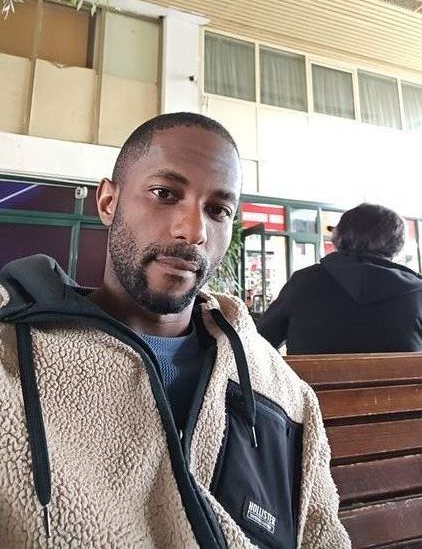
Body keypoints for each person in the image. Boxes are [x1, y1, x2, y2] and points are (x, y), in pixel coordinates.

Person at [0, 112, 350, 549]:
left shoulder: (286, 396)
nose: (194, 231)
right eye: (164, 194)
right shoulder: (12, 359)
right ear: (108, 202)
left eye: (218, 210)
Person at [258, 202, 422, 354]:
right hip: (404, 379)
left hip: (311, 378)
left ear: (339, 237)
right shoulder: (417, 292)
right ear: (398, 244)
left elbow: (257, 343)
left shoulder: (303, 281)